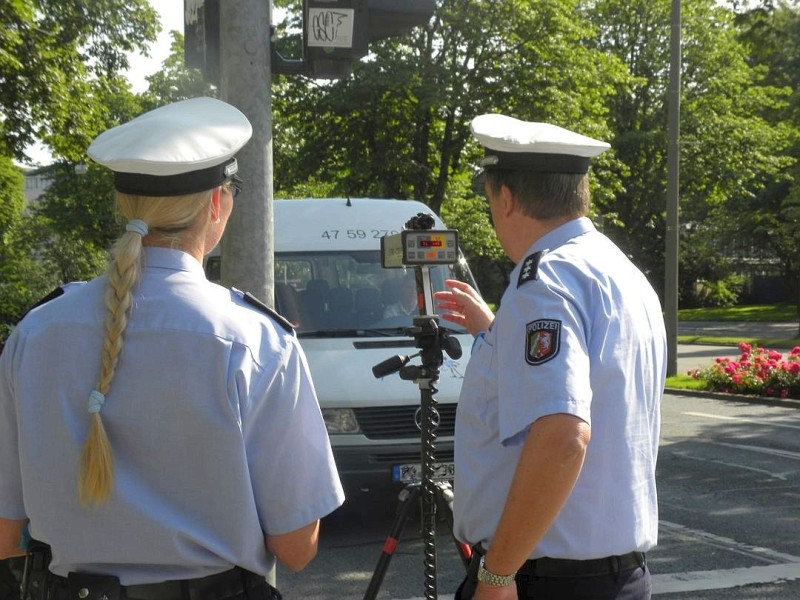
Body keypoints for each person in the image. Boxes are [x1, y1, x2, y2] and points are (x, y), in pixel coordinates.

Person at [0, 97, 345, 600]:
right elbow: (296, 547)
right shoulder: (256, 341)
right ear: (215, 204)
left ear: (125, 205)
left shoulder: (33, 334)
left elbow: (8, 536)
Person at [434, 114, 666, 600]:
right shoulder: (616, 270)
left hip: (545, 580)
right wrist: (495, 330)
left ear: (507, 198)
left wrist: (495, 577)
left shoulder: (544, 282)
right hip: (614, 577)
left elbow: (563, 436)